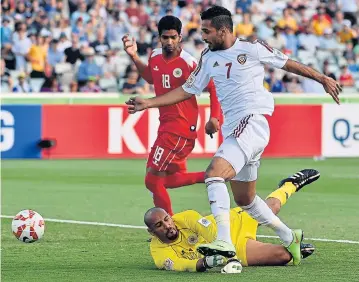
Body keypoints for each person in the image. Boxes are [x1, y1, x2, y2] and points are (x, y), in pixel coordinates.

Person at [126, 6, 341, 271]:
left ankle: (224, 242)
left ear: (223, 30)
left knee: (214, 174)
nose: (203, 36)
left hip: (251, 122)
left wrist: (321, 78)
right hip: (237, 131)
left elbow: (287, 63)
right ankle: (290, 236)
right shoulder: (208, 57)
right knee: (245, 200)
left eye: (207, 31)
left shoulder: (251, 49)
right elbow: (187, 89)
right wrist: (149, 103)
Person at [122, 16, 221, 216]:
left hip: (180, 128)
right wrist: (133, 56)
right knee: (168, 179)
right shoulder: (155, 56)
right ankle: (211, 176)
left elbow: (213, 87)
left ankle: (169, 230)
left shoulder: (189, 62)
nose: (169, 42)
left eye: (173, 37)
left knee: (152, 180)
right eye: (165, 37)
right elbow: (151, 76)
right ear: (159, 37)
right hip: (166, 126)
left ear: (180, 37)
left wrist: (215, 118)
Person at [145, 169, 318, 273]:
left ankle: (290, 184)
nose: (168, 225)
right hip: (238, 247)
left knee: (270, 208)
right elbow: (180, 265)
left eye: (167, 219)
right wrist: (204, 263)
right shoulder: (158, 251)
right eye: (159, 225)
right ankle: (295, 248)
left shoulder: (185, 217)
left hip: (230, 226)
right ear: (152, 232)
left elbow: (210, 231)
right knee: (283, 256)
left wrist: (230, 258)